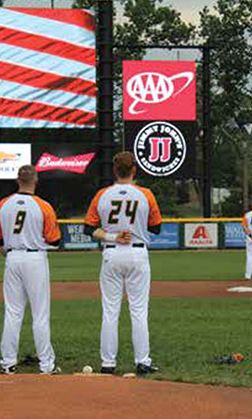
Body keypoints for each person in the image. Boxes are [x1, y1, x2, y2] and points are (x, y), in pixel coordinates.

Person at [83, 151, 162, 376]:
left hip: (112, 252)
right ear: (134, 170)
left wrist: (112, 235)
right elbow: (156, 228)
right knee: (138, 311)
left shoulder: (103, 194)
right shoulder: (146, 194)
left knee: (110, 311)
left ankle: (108, 364)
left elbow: (89, 228)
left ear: (114, 171)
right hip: (137, 253)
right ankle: (142, 362)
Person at [0, 165, 62, 375]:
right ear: (36, 180)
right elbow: (55, 240)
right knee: (40, 314)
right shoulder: (43, 206)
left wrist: (11, 253)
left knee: (12, 312)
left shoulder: (4, 204)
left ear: (17, 180)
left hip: (12, 257)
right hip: (35, 258)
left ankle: (8, 363)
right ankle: (46, 365)